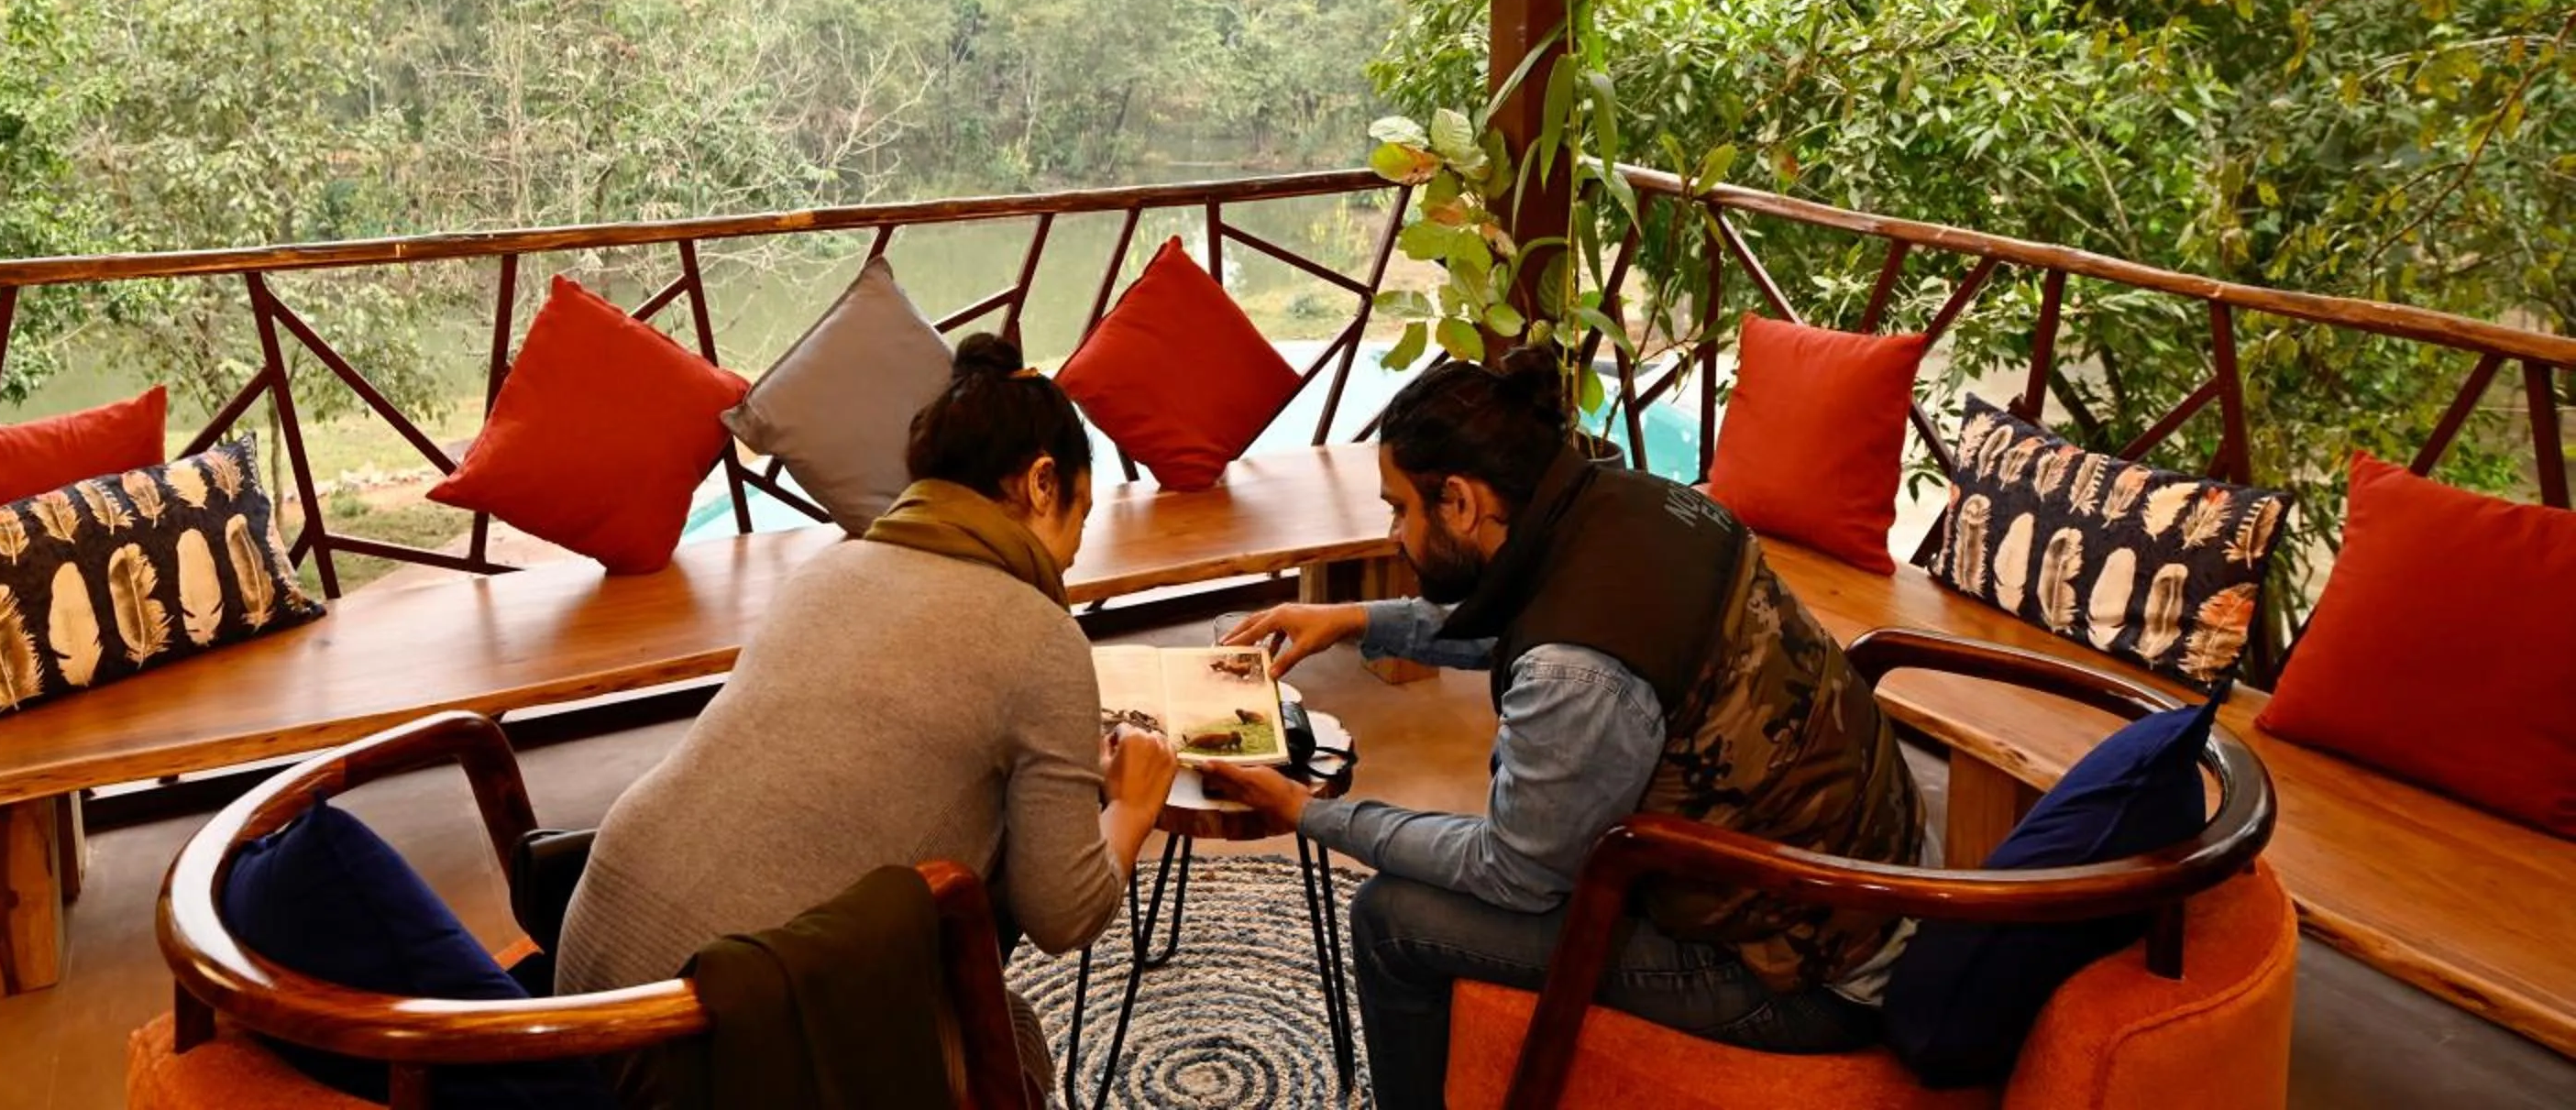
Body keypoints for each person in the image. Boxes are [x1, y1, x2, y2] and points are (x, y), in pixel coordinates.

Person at [1206, 347, 1923, 1110]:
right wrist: (1354, 620)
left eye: (1399, 509)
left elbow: (1516, 873)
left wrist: (1309, 814)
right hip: (1869, 892)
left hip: (1797, 976)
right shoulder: (1642, 506)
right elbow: (1524, 620)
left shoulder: (1572, 672)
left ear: (1458, 501)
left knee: (1391, 920)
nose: (1393, 536)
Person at [556, 334, 1178, 1095]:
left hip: (586, 983)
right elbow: (1063, 912)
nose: (1075, 557)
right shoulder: (1041, 635)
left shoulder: (830, 568)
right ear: (1044, 484)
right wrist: (1135, 804)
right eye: (1081, 518)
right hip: (710, 1044)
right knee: (992, 1037)